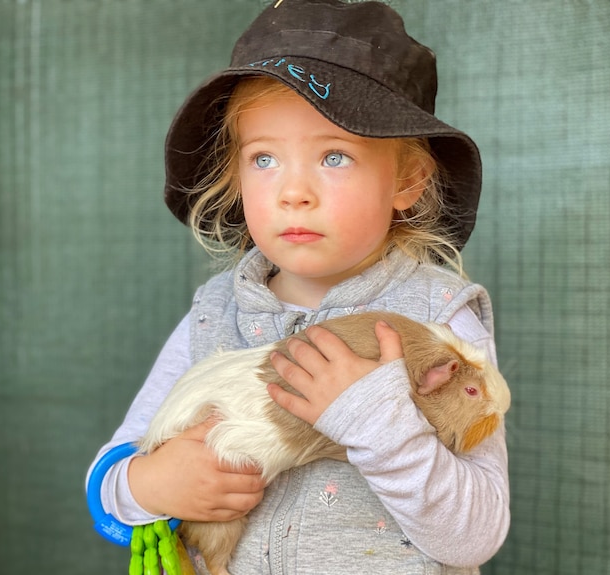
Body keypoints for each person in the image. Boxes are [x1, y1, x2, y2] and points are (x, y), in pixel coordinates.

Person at [88, 0, 509, 573]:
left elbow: (476, 535)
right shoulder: (216, 313)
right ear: (234, 177)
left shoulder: (440, 320)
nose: (294, 192)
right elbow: (110, 480)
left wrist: (375, 421)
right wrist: (148, 484)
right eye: (264, 159)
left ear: (407, 179)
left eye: (334, 156)